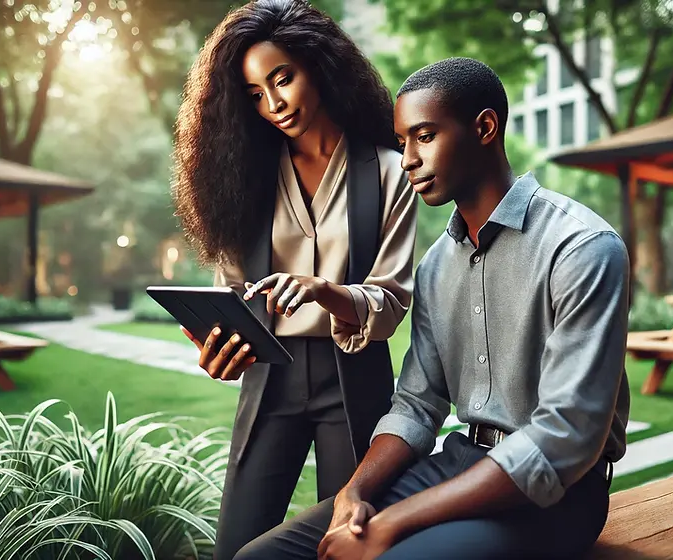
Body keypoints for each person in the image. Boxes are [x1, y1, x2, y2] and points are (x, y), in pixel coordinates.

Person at [234, 57, 632, 560]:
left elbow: (564, 437)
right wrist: (353, 495)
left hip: (558, 496)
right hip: (459, 463)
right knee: (260, 557)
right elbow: (416, 407)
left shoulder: (583, 248)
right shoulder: (436, 267)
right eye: (402, 142)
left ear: (485, 128)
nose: (406, 160)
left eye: (424, 136)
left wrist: (393, 524)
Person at [171, 1, 417, 558]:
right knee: (237, 545)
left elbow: (393, 298)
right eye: (256, 93)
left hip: (353, 378)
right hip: (269, 376)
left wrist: (325, 291)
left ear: (320, 67)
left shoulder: (388, 170)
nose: (274, 103)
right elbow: (231, 291)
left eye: (283, 79)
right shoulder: (243, 178)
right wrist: (218, 345)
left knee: (344, 543)